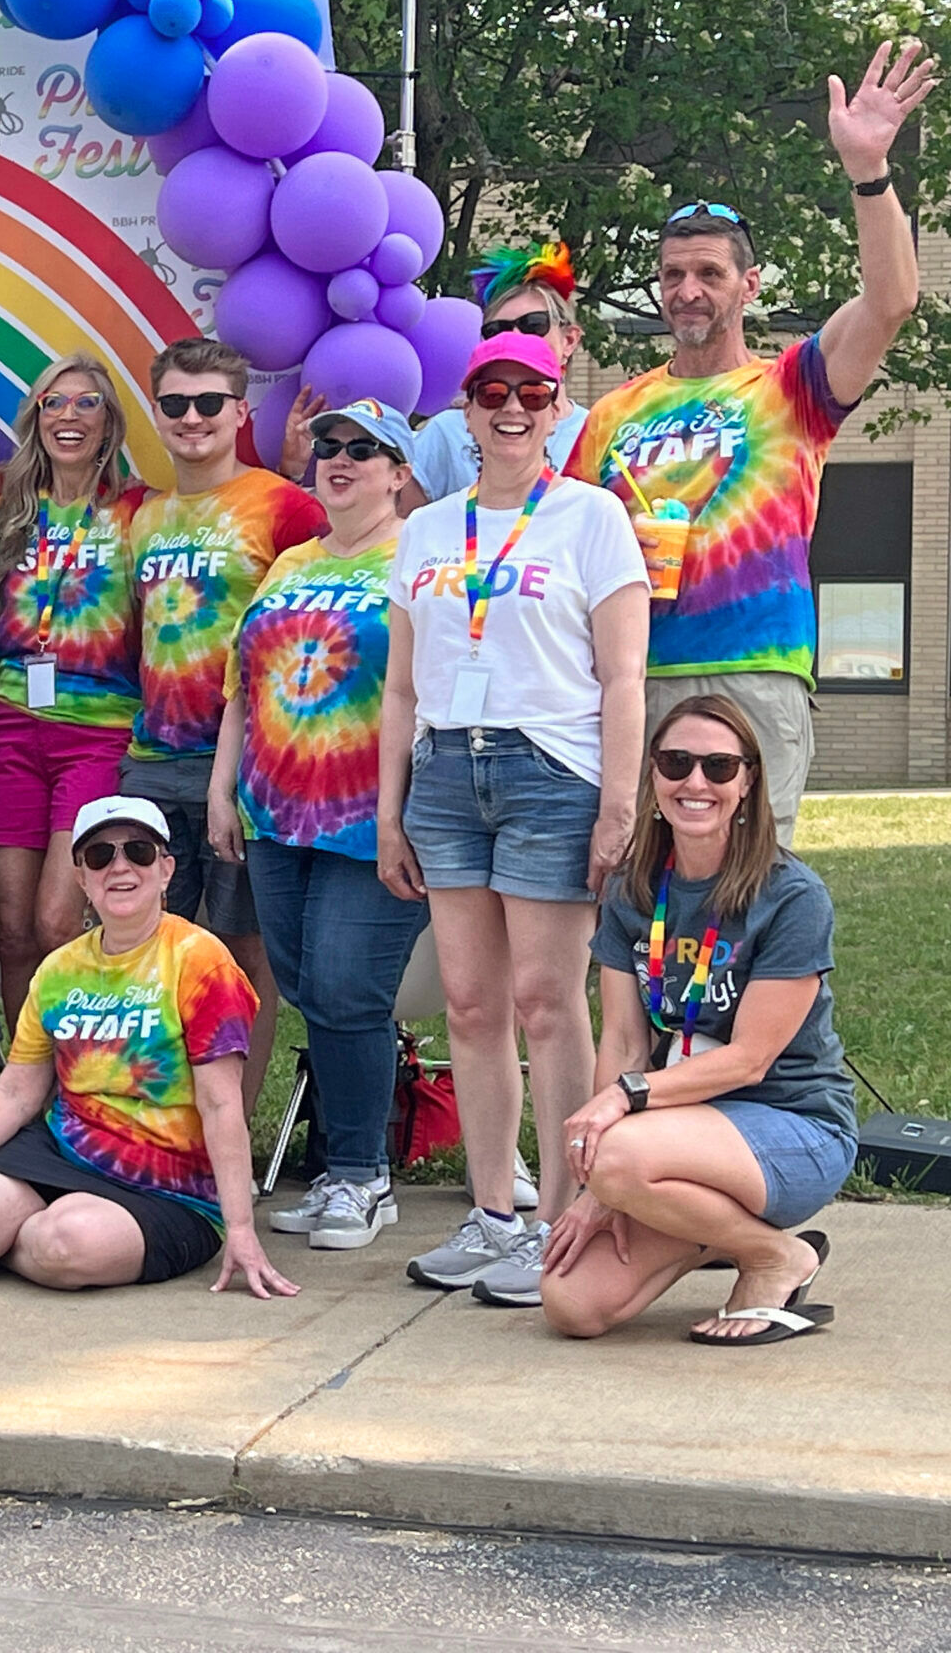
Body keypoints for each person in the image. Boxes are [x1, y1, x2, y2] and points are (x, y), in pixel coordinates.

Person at [570, 43, 937, 841]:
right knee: (633, 898)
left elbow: (891, 301)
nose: (687, 291)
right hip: (633, 679)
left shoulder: (792, 387)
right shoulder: (611, 411)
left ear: (749, 285)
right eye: (672, 275)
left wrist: (868, 173)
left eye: (707, 272)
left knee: (749, 894)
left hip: (754, 672)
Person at [380, 331, 651, 1307]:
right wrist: (388, 813)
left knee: (546, 1001)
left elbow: (624, 676)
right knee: (469, 1006)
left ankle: (563, 1223)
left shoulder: (590, 518)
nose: (510, 409)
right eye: (491, 391)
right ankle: (492, 1211)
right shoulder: (424, 531)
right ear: (464, 408)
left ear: (554, 406)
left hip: (551, 772)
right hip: (448, 771)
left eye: (530, 394)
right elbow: (402, 689)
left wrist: (619, 803)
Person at [542, 693, 856, 1345]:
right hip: (677, 1137)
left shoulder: (791, 896)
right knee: (571, 1305)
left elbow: (749, 1061)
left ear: (747, 783)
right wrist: (603, 1188)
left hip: (793, 1124)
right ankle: (719, 1235)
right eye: (677, 762)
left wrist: (618, 1123)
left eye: (718, 767)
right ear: (653, 775)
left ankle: (775, 1256)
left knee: (620, 1152)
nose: (695, 782)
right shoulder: (632, 888)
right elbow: (625, 1040)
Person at [0, 798, 295, 1296]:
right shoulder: (59, 970)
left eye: (138, 851)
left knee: (66, 1241)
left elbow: (221, 1105)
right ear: (82, 879)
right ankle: (9, 1229)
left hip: (169, 1185)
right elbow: (16, 1093)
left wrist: (240, 1228)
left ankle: (13, 1235)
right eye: (99, 856)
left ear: (166, 869)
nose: (120, 867)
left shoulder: (202, 963)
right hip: (64, 1153)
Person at [210, 398, 431, 1252]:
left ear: (398, 472)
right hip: (274, 815)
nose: (340, 459)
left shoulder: (416, 556)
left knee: (348, 992)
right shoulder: (290, 561)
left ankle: (361, 1176)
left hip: (365, 818)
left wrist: (397, 812)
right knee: (310, 992)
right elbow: (242, 686)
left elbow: (423, 695)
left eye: (364, 450)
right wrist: (225, 788)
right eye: (330, 445)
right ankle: (345, 1168)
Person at [121, 337, 325, 1094]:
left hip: (244, 765)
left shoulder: (284, 505)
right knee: (145, 948)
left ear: (240, 410)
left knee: (241, 957)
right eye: (175, 404)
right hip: (151, 758)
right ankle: (159, 1120)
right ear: (158, 412)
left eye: (211, 403)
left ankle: (229, 1133)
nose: (193, 418)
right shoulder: (142, 514)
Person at [0, 354, 146, 1026]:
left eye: (87, 404)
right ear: (35, 419)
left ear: (110, 425)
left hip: (99, 731)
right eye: (54, 404)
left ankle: (82, 1080)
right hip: (10, 723)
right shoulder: (9, 510)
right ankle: (26, 1092)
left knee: (56, 921)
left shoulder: (140, 512)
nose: (69, 417)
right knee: (13, 934)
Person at [403, 243, 592, 508]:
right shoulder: (447, 431)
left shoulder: (598, 431)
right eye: (498, 330)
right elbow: (396, 530)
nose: (515, 339)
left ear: (570, 340)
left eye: (533, 324)